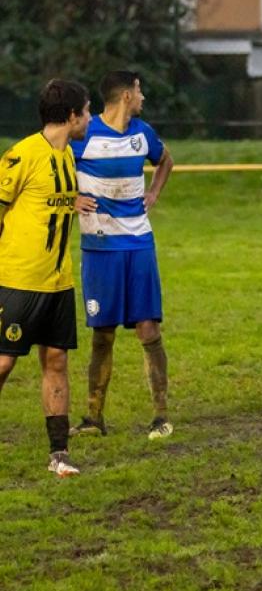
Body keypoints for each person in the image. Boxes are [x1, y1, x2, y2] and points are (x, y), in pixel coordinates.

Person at [69, 71, 175, 440]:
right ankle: (94, 417)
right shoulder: (84, 136)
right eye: (139, 89)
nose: (143, 96)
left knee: (148, 329)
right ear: (126, 95)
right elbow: (54, 175)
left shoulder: (142, 134)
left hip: (138, 244)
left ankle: (161, 416)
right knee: (103, 333)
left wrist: (154, 194)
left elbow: (166, 161)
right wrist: (71, 199)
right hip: (99, 249)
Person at [0, 79, 90, 476]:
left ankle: (60, 454)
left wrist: (73, 202)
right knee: (3, 364)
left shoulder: (67, 155)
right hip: (20, 280)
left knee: (56, 361)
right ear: (71, 116)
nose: (89, 118)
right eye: (86, 111)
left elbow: (45, 198)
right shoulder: (22, 155)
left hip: (58, 283)